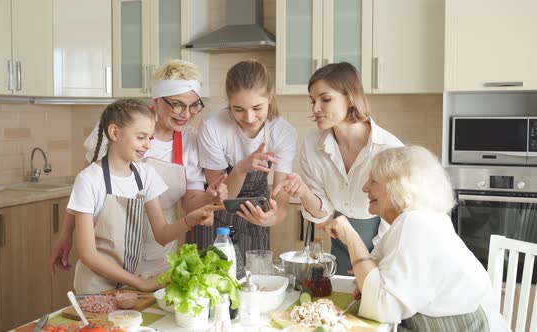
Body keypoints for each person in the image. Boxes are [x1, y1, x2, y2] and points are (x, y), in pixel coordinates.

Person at [50, 60, 227, 277]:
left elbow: (190, 201)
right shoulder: (124, 123)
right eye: (177, 104)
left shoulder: (191, 139)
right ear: (157, 99)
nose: (186, 113)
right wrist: (66, 234)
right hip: (108, 252)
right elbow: (86, 184)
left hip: (159, 251)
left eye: (193, 105)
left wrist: (210, 198)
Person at [318, 146, 509, 331]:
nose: (364, 187)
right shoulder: (425, 220)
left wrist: (351, 237)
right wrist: (370, 282)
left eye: (373, 180)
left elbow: (381, 308)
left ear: (399, 186)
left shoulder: (415, 223)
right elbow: (380, 283)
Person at [68, 98, 218, 294]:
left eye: (150, 138)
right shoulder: (89, 180)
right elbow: (88, 254)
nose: (147, 145)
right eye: (141, 137)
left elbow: (162, 234)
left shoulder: (145, 174)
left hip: (131, 284)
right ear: (115, 133)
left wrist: (190, 219)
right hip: (96, 286)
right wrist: (140, 284)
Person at [272, 62, 402, 275]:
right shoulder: (313, 146)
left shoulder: (389, 149)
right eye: (313, 101)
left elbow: (400, 218)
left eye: (326, 99)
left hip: (387, 247)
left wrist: (375, 259)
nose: (315, 108)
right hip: (340, 245)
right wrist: (304, 192)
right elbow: (324, 216)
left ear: (350, 98)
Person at [193, 60, 298, 278]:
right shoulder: (213, 127)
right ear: (228, 102)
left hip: (256, 215)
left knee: (254, 282)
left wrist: (270, 218)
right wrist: (241, 169)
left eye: (257, 108)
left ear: (270, 96)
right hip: (216, 216)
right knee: (210, 283)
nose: (249, 119)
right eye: (238, 109)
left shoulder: (283, 132)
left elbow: (282, 203)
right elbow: (221, 198)